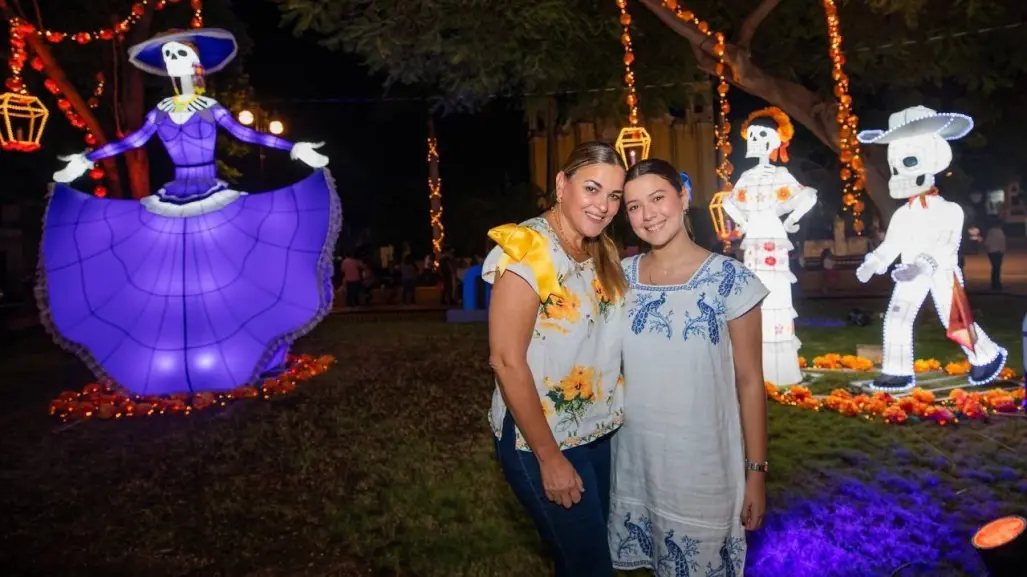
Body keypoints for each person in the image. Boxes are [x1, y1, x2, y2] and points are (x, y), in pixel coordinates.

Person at [40, 28, 339, 396]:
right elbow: (132, 141)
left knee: (228, 270)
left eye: (179, 55)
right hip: (174, 196)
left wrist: (294, 149)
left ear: (195, 63)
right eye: (168, 58)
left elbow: (248, 136)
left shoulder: (210, 108)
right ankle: (175, 359)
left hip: (211, 191)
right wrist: (86, 160)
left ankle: (254, 351)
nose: (173, 63)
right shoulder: (161, 112)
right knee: (171, 276)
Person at [609, 159, 768, 575]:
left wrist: (756, 473)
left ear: (683, 197)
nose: (648, 215)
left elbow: (750, 383)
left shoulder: (731, 280)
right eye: (634, 206)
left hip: (703, 469)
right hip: (636, 463)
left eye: (658, 198)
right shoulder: (619, 279)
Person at [484, 141, 628, 577]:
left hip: (595, 431)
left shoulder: (601, 249)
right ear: (562, 185)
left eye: (614, 196)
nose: (603, 206)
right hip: (540, 439)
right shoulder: (529, 248)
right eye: (592, 189)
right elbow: (506, 360)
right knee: (590, 568)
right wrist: (549, 458)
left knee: (584, 559)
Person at [984, 219, 1005, 291]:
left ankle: (995, 283)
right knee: (997, 268)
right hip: (998, 252)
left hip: (992, 252)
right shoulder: (1000, 232)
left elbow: (987, 242)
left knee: (995, 268)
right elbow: (1002, 242)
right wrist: (1002, 251)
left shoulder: (991, 232)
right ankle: (996, 283)